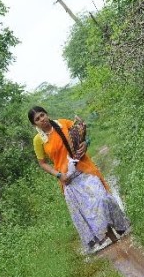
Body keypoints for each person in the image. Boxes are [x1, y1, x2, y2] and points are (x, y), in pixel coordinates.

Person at [28, 106, 131, 254]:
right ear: (34, 124)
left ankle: (121, 229)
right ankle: (117, 243)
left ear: (47, 114)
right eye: (37, 119)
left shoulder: (63, 123)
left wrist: (85, 144)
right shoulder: (39, 140)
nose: (42, 119)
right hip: (69, 180)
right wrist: (58, 175)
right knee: (91, 212)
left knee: (102, 199)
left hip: (85, 170)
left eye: (42, 115)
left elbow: (81, 136)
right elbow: (42, 163)